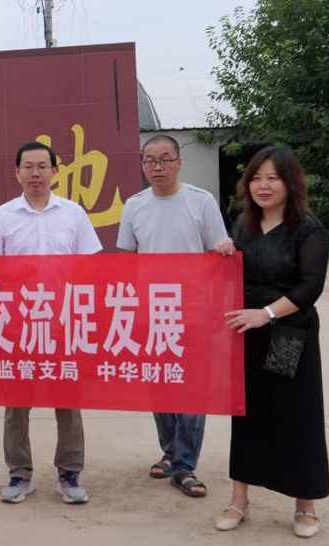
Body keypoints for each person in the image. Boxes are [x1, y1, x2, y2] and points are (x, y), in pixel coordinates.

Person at [0, 141, 102, 504]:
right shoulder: (1, 216)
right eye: (28, 167)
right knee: (17, 404)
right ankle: (19, 474)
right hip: (18, 324)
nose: (35, 174)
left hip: (63, 322)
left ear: (55, 171)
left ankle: (70, 473)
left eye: (42, 166)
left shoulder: (73, 214)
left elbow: (91, 266)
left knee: (68, 402)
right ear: (17, 173)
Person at [218, 146, 329, 538]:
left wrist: (265, 314)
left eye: (273, 178)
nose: (262, 186)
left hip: (289, 335)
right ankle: (239, 500)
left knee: (297, 417)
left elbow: (310, 286)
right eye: (256, 178)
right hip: (246, 335)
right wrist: (222, 251)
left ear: (290, 183)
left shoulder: (307, 229)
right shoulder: (243, 225)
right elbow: (229, 274)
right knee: (247, 416)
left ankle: (305, 505)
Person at [116, 134, 234, 498]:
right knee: (161, 385)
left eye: (165, 159)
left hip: (195, 312)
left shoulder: (201, 201)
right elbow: (125, 261)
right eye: (150, 160)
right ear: (142, 165)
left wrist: (224, 251)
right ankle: (169, 452)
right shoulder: (135, 205)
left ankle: (185, 465)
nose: (158, 166)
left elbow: (219, 251)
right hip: (152, 313)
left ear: (179, 162)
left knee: (192, 390)